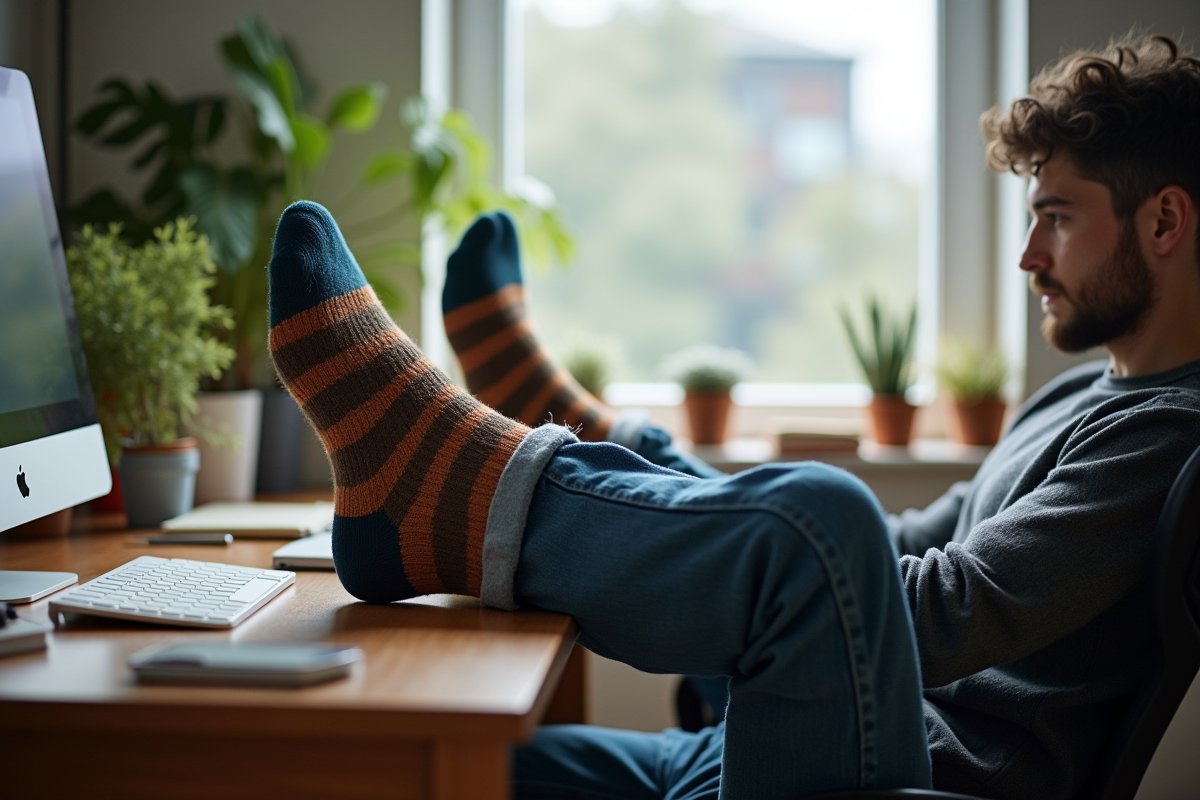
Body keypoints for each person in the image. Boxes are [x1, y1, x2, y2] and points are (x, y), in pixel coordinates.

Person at [263, 33, 1200, 800]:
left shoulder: (1169, 433)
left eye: (1060, 218)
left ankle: (454, 482)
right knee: (417, 778)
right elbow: (912, 537)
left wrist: (801, 552)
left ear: (1164, 223)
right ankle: (558, 439)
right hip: (790, 741)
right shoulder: (1082, 397)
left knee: (819, 524)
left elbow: (945, 617)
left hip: (913, 778)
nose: (1030, 254)